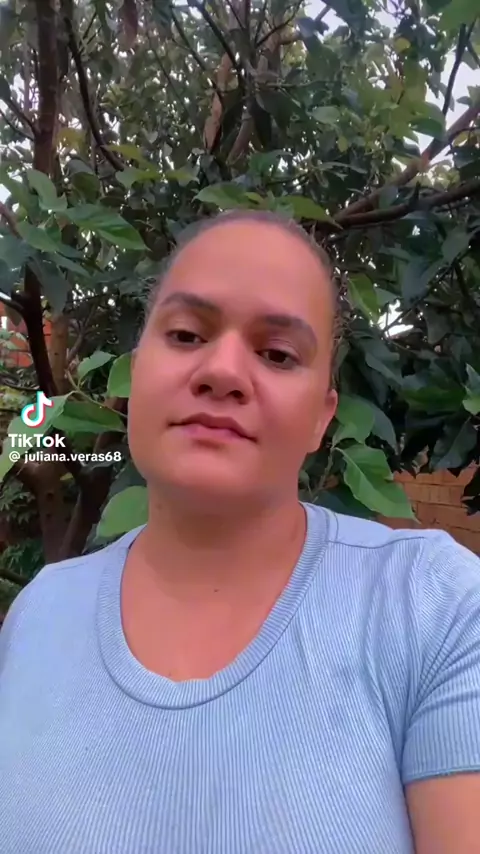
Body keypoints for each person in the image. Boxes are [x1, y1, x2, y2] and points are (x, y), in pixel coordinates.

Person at [1, 209, 480, 854]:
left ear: (323, 418)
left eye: (277, 354)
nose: (222, 371)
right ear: (136, 373)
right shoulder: (39, 614)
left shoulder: (436, 609)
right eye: (186, 335)